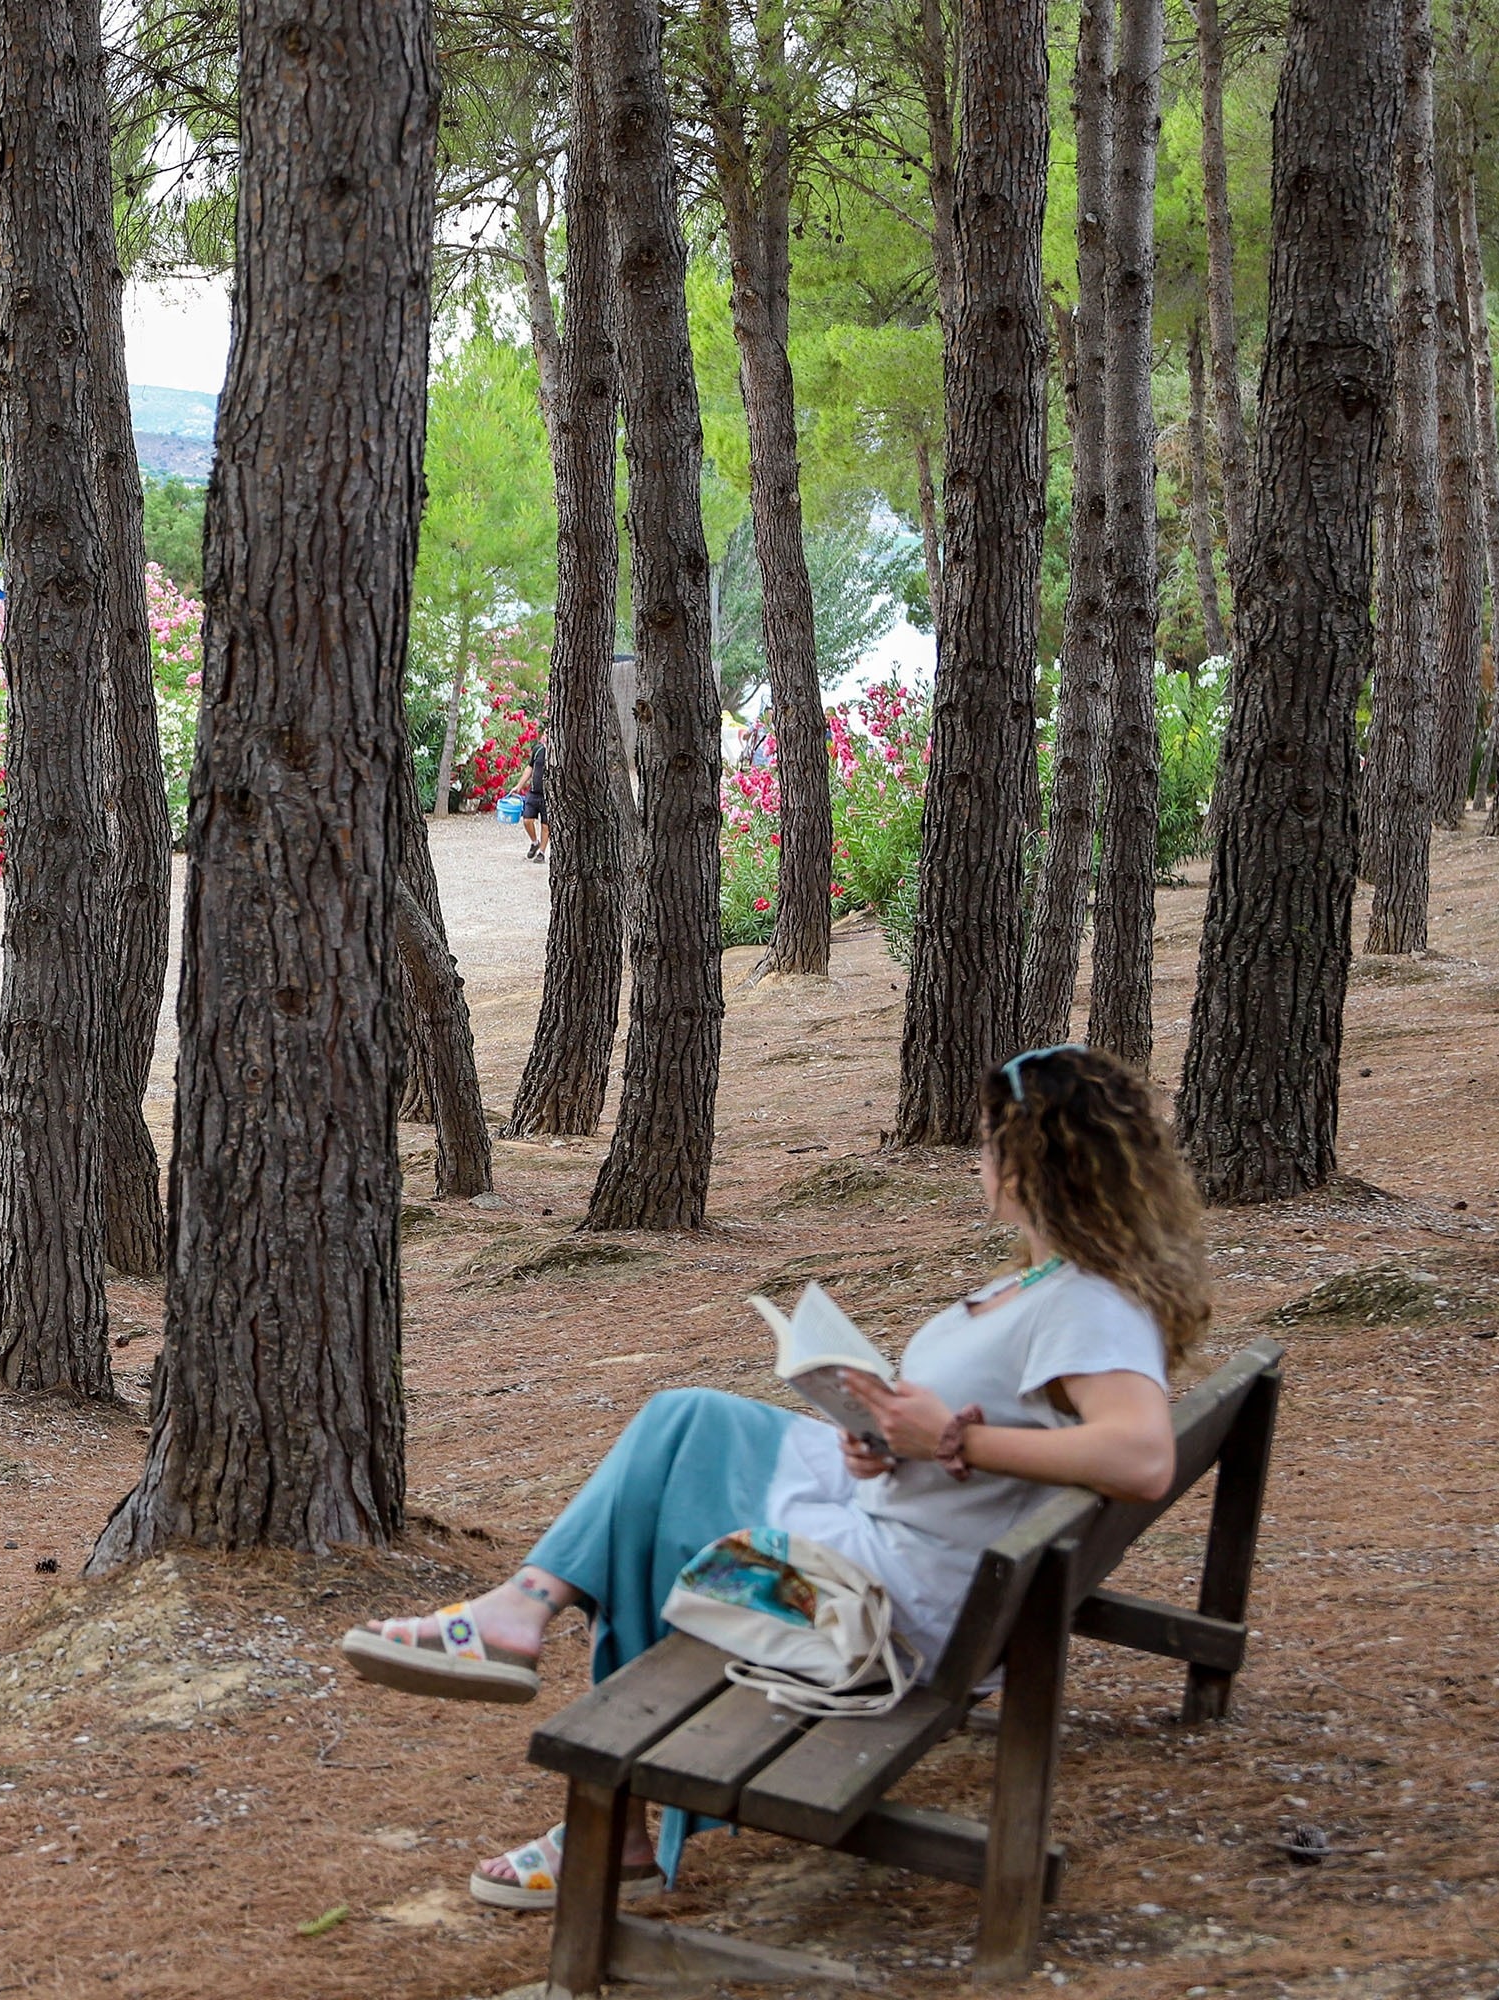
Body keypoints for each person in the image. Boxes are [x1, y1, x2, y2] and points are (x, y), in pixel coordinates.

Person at [338, 1043, 1204, 1906]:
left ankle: (601, 1801)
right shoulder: (1053, 1282)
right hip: (904, 1526)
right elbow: (1007, 1428)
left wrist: (950, 1438)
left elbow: (1140, 1457)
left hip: (896, 1597)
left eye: (989, 1142)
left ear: (1034, 1158)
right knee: (685, 1416)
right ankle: (526, 1620)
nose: (979, 1160)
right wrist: (886, 1438)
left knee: (652, 1521)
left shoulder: (1088, 1304)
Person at [517, 732, 551, 864]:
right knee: (527, 820)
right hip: (534, 792)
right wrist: (519, 786)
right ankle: (534, 842)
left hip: (548, 795)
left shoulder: (558, 752)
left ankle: (541, 852)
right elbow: (529, 768)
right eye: (545, 734)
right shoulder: (538, 750)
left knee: (545, 825)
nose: (546, 737)